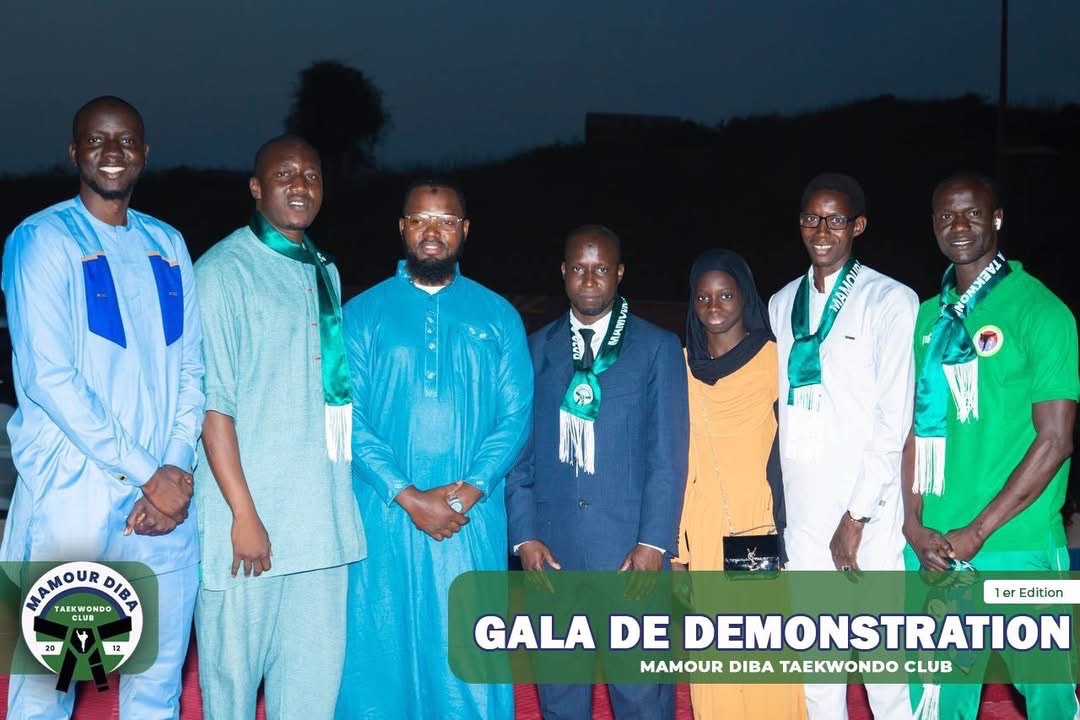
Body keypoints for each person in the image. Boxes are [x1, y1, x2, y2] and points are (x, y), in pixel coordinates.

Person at [0, 96, 204, 719]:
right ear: (74, 152)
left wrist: (170, 475)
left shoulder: (167, 243)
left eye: (125, 141)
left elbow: (192, 371)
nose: (112, 153)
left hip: (164, 508)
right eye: (97, 140)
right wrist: (150, 473)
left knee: (157, 688)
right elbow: (50, 378)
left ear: (144, 153)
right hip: (75, 499)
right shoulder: (41, 240)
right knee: (48, 689)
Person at [335, 180, 533, 719]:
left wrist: (468, 491)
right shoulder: (360, 314)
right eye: (420, 220)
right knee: (381, 654)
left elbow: (515, 416)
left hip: (470, 521)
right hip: (383, 516)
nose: (432, 232)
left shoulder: (497, 315)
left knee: (466, 658)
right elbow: (344, 414)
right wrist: (406, 493)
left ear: (464, 231)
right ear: (401, 228)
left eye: (445, 221)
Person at [193, 135, 366, 719]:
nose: (300, 185)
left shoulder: (325, 272)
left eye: (312, 175)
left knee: (311, 702)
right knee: (232, 696)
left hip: (321, 529)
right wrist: (244, 514)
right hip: (249, 534)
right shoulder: (222, 272)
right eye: (285, 174)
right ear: (256, 187)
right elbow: (214, 408)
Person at [901, 173, 1079, 719]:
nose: (959, 226)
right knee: (935, 703)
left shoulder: (1042, 312)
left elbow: (1056, 440)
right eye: (945, 215)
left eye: (972, 213)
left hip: (1018, 545)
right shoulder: (927, 317)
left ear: (996, 218)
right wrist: (911, 524)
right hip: (934, 549)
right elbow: (913, 428)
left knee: (1049, 701)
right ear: (932, 224)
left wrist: (977, 531)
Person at [506, 225, 688, 720]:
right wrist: (524, 538)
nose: (590, 279)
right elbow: (517, 454)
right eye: (579, 268)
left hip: (630, 559)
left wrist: (654, 544)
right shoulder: (533, 349)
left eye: (601, 269)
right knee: (560, 699)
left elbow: (667, 454)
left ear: (620, 274)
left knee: (641, 700)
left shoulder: (656, 348)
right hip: (552, 558)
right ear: (563, 272)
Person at [768, 173, 917, 720]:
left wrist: (857, 516)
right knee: (818, 676)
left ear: (858, 225)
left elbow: (893, 419)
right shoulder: (781, 303)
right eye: (811, 218)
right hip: (806, 520)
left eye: (835, 219)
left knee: (885, 675)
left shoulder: (891, 300)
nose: (822, 230)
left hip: (869, 523)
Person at [674, 249, 805, 720]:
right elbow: (675, 464)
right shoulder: (680, 366)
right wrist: (678, 554)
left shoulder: (775, 361)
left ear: (744, 297)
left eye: (725, 294)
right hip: (702, 535)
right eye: (703, 296)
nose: (713, 305)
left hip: (756, 529)